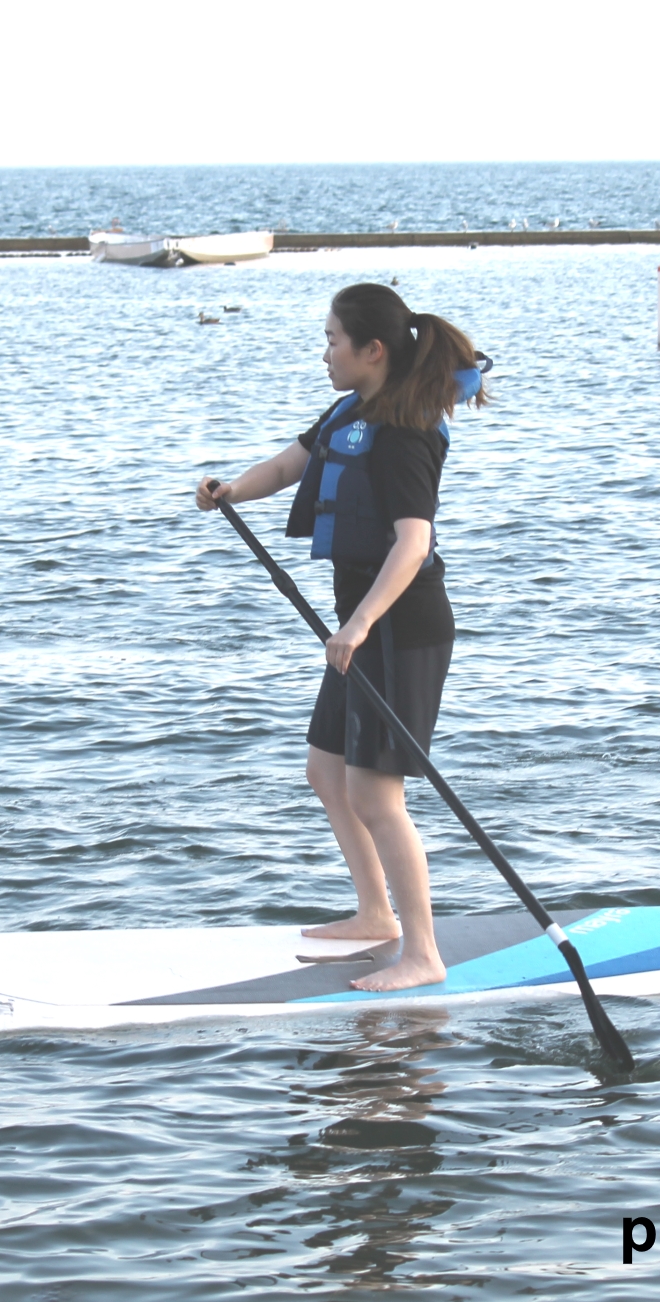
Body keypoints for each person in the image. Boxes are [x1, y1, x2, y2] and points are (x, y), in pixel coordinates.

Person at [195, 283, 487, 991]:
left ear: (372, 350)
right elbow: (292, 464)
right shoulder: (349, 411)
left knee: (378, 796)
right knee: (327, 774)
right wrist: (231, 489)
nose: (325, 353)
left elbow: (413, 543)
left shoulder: (406, 434)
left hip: (399, 626)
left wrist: (357, 623)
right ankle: (375, 915)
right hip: (359, 631)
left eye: (332, 341)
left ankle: (422, 952)